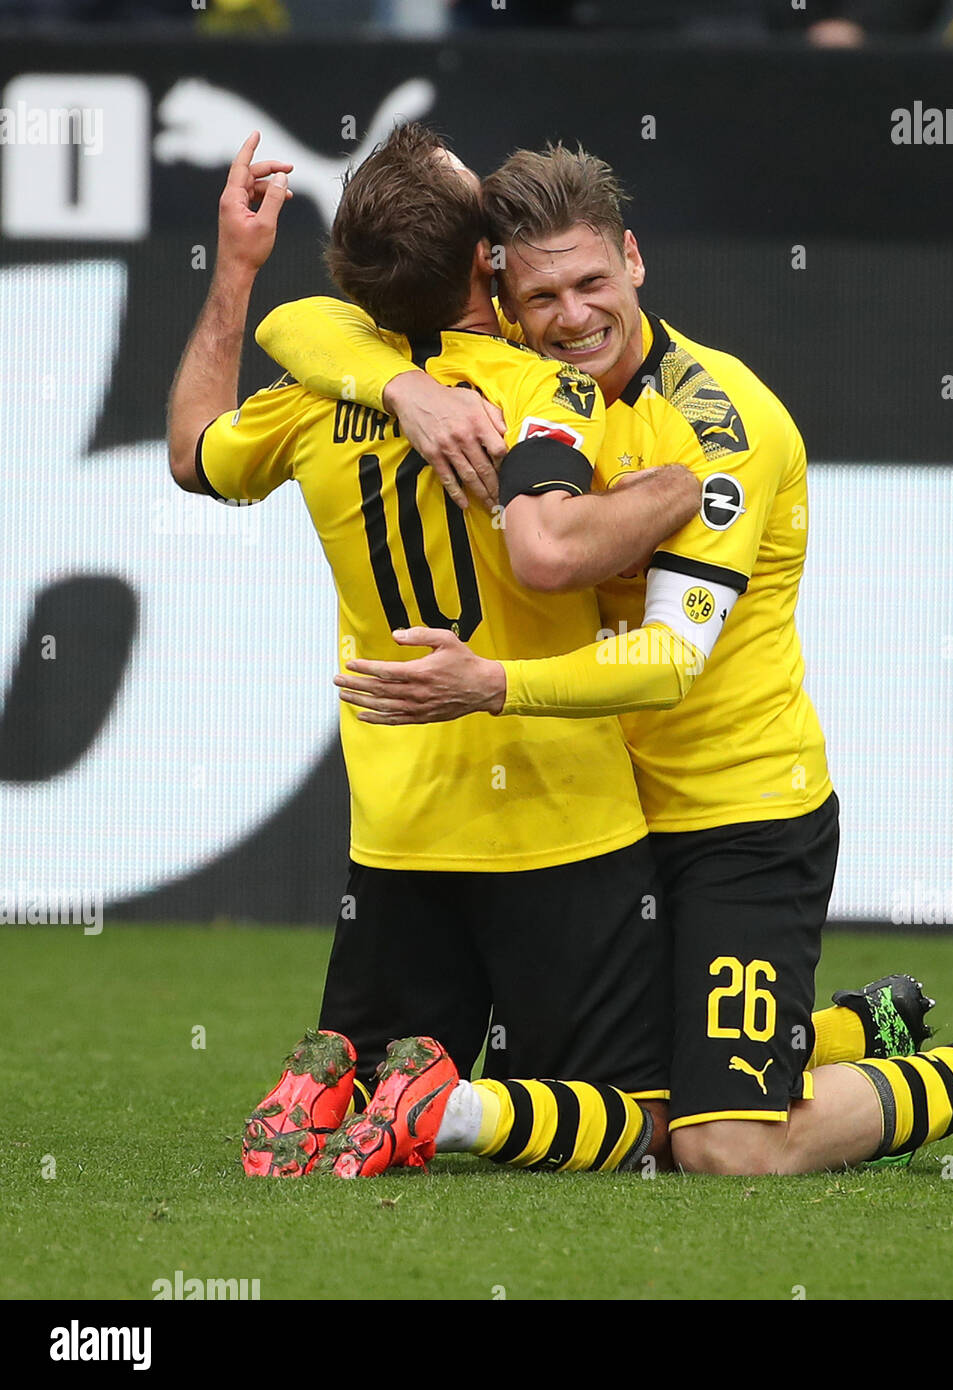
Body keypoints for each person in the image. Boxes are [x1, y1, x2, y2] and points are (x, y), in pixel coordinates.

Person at [257, 140, 953, 1175]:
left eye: (592, 282)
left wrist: (492, 684)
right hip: (611, 820)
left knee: (719, 1144)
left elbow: (668, 661)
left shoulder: (717, 428)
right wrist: (400, 388)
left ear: (634, 260)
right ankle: (858, 1030)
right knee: (591, 1099)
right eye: (539, 293)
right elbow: (305, 321)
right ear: (499, 291)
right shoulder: (526, 369)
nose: (571, 314)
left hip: (739, 815)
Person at [167, 126, 704, 1178]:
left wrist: (235, 270)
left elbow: (192, 453)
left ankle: (356, 1082)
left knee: (390, 1083)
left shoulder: (318, 399)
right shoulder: (546, 391)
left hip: (399, 824)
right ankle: (444, 1107)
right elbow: (573, 538)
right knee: (647, 1120)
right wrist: (675, 485)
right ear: (483, 263)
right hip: (559, 817)